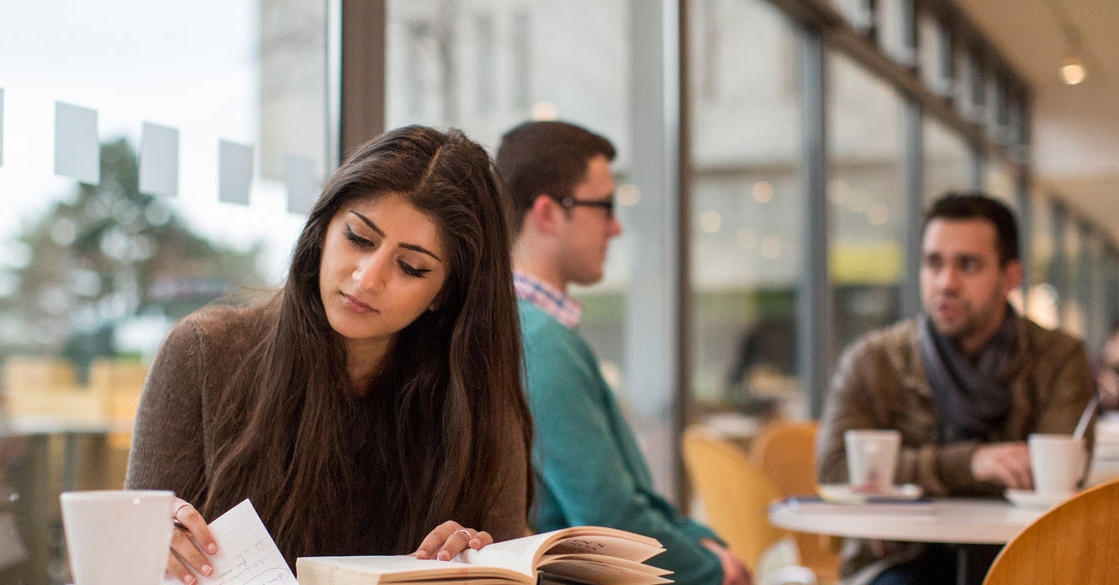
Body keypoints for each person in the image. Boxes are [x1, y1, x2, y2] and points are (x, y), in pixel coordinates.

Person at [126, 126, 533, 584]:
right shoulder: (203, 354)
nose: (367, 277)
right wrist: (146, 543)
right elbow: (129, 559)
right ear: (323, 230)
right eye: (359, 238)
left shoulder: (476, 404)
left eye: (411, 267)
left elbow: (504, 561)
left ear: (446, 293)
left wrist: (481, 563)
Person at [496, 120, 751, 585]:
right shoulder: (537, 340)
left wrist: (696, 538)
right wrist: (712, 569)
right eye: (604, 206)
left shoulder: (528, 330)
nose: (615, 228)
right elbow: (607, 518)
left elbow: (624, 500)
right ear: (548, 214)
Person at [816, 193, 1096, 585]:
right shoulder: (873, 360)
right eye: (934, 263)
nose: (945, 283)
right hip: (900, 560)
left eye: (968, 265)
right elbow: (835, 469)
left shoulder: (1058, 357)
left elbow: (1056, 475)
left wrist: (907, 475)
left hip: (1022, 555)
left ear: (1010, 277)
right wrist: (972, 462)